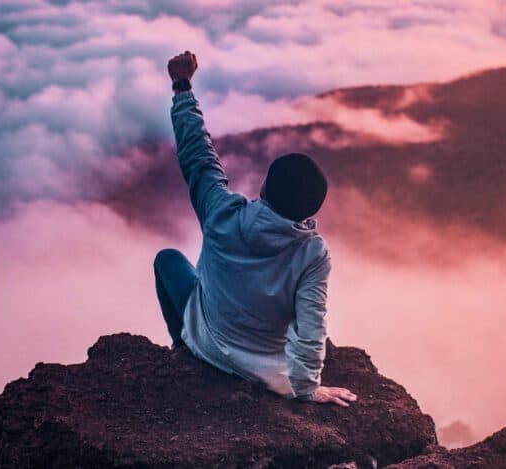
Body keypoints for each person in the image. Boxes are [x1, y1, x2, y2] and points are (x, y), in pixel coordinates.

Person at [153, 50, 357, 407]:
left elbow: (198, 157)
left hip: (208, 344)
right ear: (311, 210)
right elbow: (312, 329)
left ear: (264, 188)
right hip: (266, 372)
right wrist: (307, 388)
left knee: (168, 260)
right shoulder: (312, 253)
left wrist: (182, 88)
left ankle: (181, 345)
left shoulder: (222, 212)